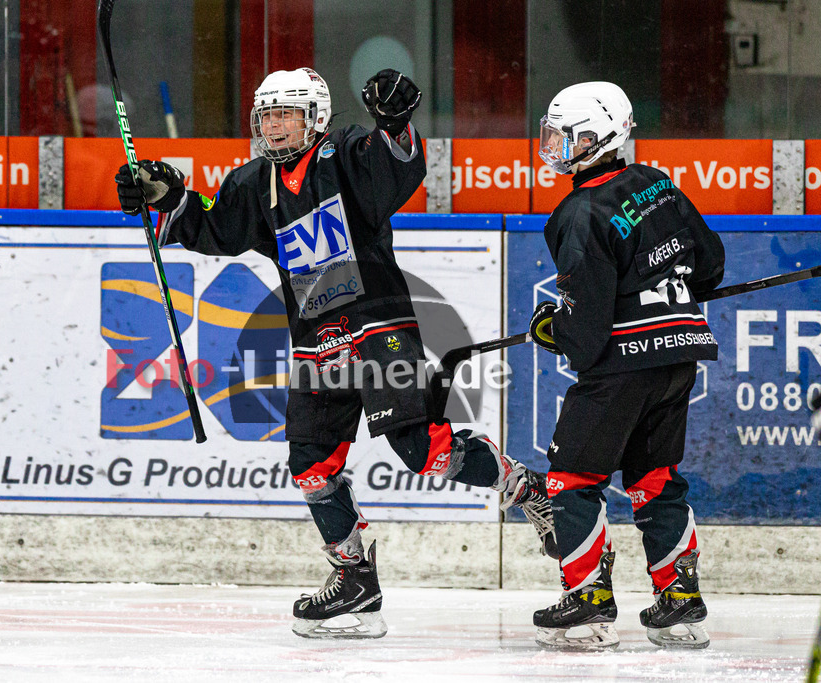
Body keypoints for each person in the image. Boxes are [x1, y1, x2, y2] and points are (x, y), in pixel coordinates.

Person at [115, 67, 556, 639]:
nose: (274, 126)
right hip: (316, 340)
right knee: (311, 465)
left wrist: (394, 124)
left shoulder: (344, 152)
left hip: (379, 326)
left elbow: (391, 170)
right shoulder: (255, 182)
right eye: (267, 115)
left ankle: (527, 489)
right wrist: (168, 196)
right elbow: (214, 226)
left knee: (424, 451)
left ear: (315, 117)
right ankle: (354, 577)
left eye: (287, 114)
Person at [527, 81, 725, 650]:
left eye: (572, 136)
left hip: (620, 368)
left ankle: (588, 598)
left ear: (604, 136)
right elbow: (709, 265)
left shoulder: (580, 212)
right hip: (679, 356)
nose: (559, 146)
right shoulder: (659, 185)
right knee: (654, 479)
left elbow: (585, 337)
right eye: (555, 135)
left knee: (570, 478)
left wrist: (553, 327)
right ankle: (679, 602)